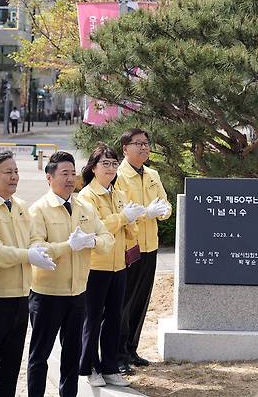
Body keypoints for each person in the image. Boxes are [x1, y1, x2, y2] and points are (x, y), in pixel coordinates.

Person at [0, 151, 56, 397]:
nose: (15, 177)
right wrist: (27, 255)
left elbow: (32, 238)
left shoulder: (20, 206)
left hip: (20, 296)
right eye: (8, 172)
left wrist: (37, 248)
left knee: (11, 364)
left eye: (16, 171)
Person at [27, 151, 115, 397]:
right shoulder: (39, 210)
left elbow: (108, 238)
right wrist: (68, 246)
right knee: (39, 354)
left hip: (77, 293)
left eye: (73, 173)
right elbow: (36, 248)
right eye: (64, 173)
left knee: (72, 354)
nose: (70, 179)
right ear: (49, 177)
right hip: (47, 294)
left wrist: (92, 241)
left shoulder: (84, 206)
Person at [77, 144, 145, 387]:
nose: (110, 168)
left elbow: (130, 231)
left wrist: (130, 219)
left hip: (119, 265)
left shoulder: (118, 194)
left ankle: (109, 366)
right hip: (95, 266)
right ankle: (89, 366)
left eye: (114, 163)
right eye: (105, 163)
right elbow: (97, 228)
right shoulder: (86, 197)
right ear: (93, 167)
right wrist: (122, 219)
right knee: (92, 318)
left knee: (114, 317)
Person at [115, 128, 171, 374]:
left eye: (146, 143)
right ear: (125, 148)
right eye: (137, 143)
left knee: (141, 299)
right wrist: (144, 213)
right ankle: (117, 354)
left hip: (151, 246)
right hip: (130, 247)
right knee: (124, 302)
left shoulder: (152, 174)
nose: (143, 148)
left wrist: (162, 211)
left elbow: (165, 202)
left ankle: (131, 348)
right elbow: (122, 211)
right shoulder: (118, 176)